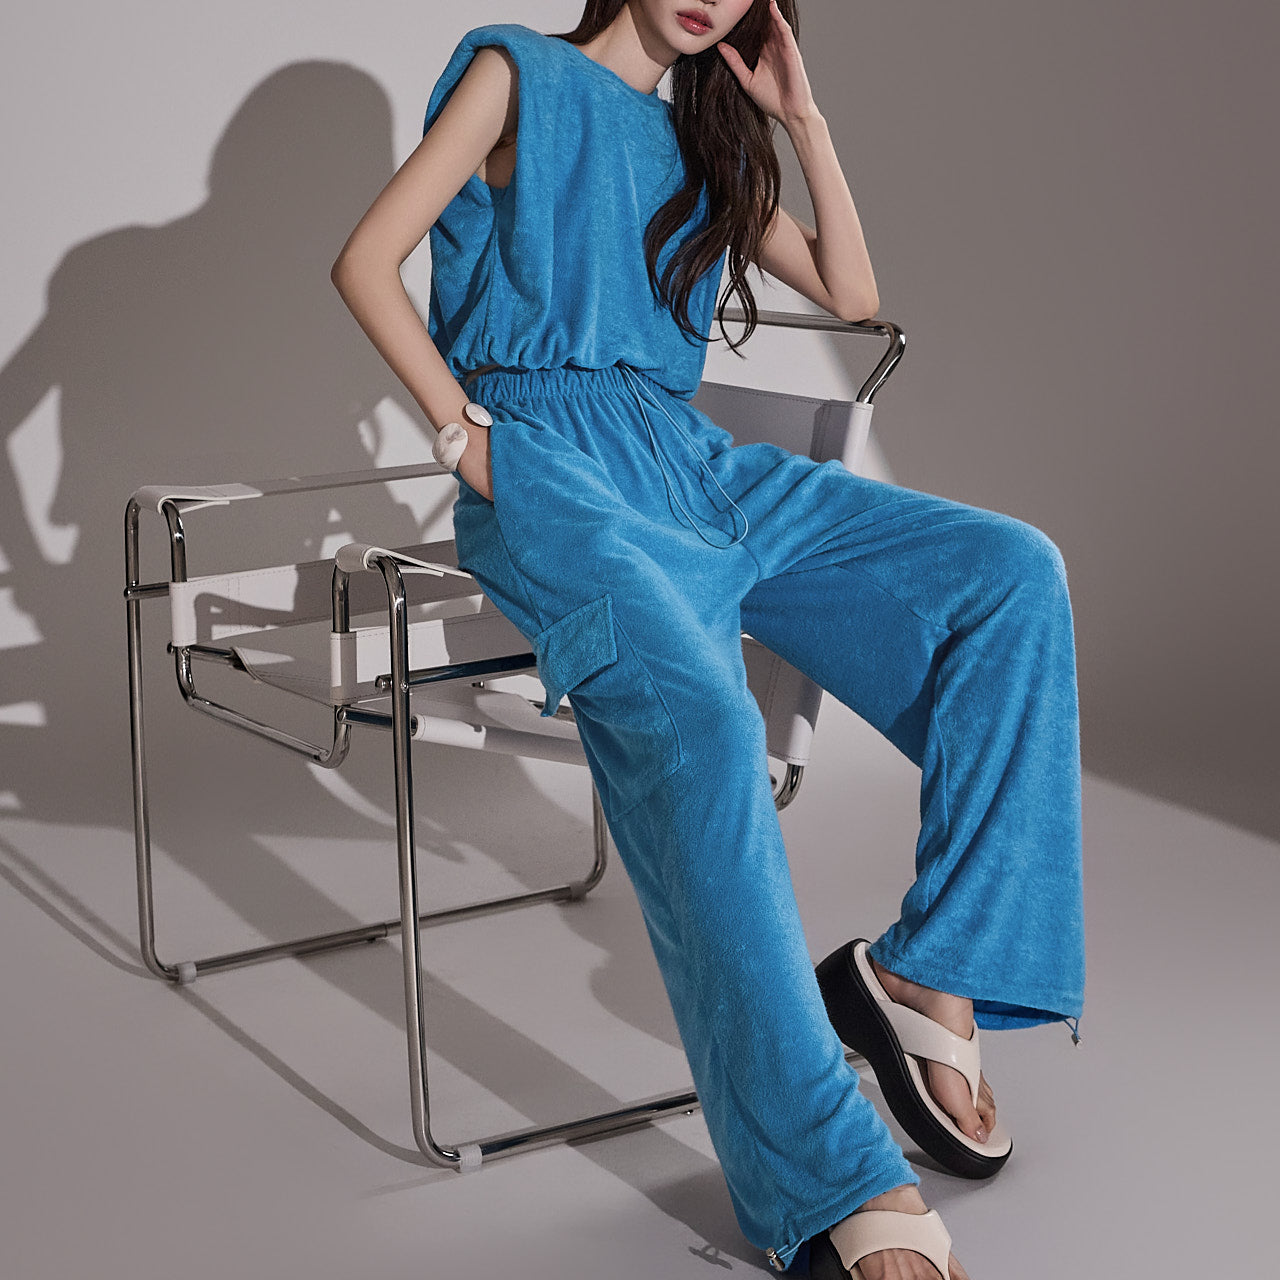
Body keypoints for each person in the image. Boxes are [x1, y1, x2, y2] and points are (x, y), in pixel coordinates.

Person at [330, 2, 1085, 1276]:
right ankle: (826, 1171)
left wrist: (802, 119)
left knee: (1007, 574)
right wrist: (468, 438)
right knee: (707, 722)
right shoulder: (518, 73)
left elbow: (853, 293)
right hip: (554, 471)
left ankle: (930, 972)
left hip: (690, 462)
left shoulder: (697, 144)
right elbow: (365, 258)